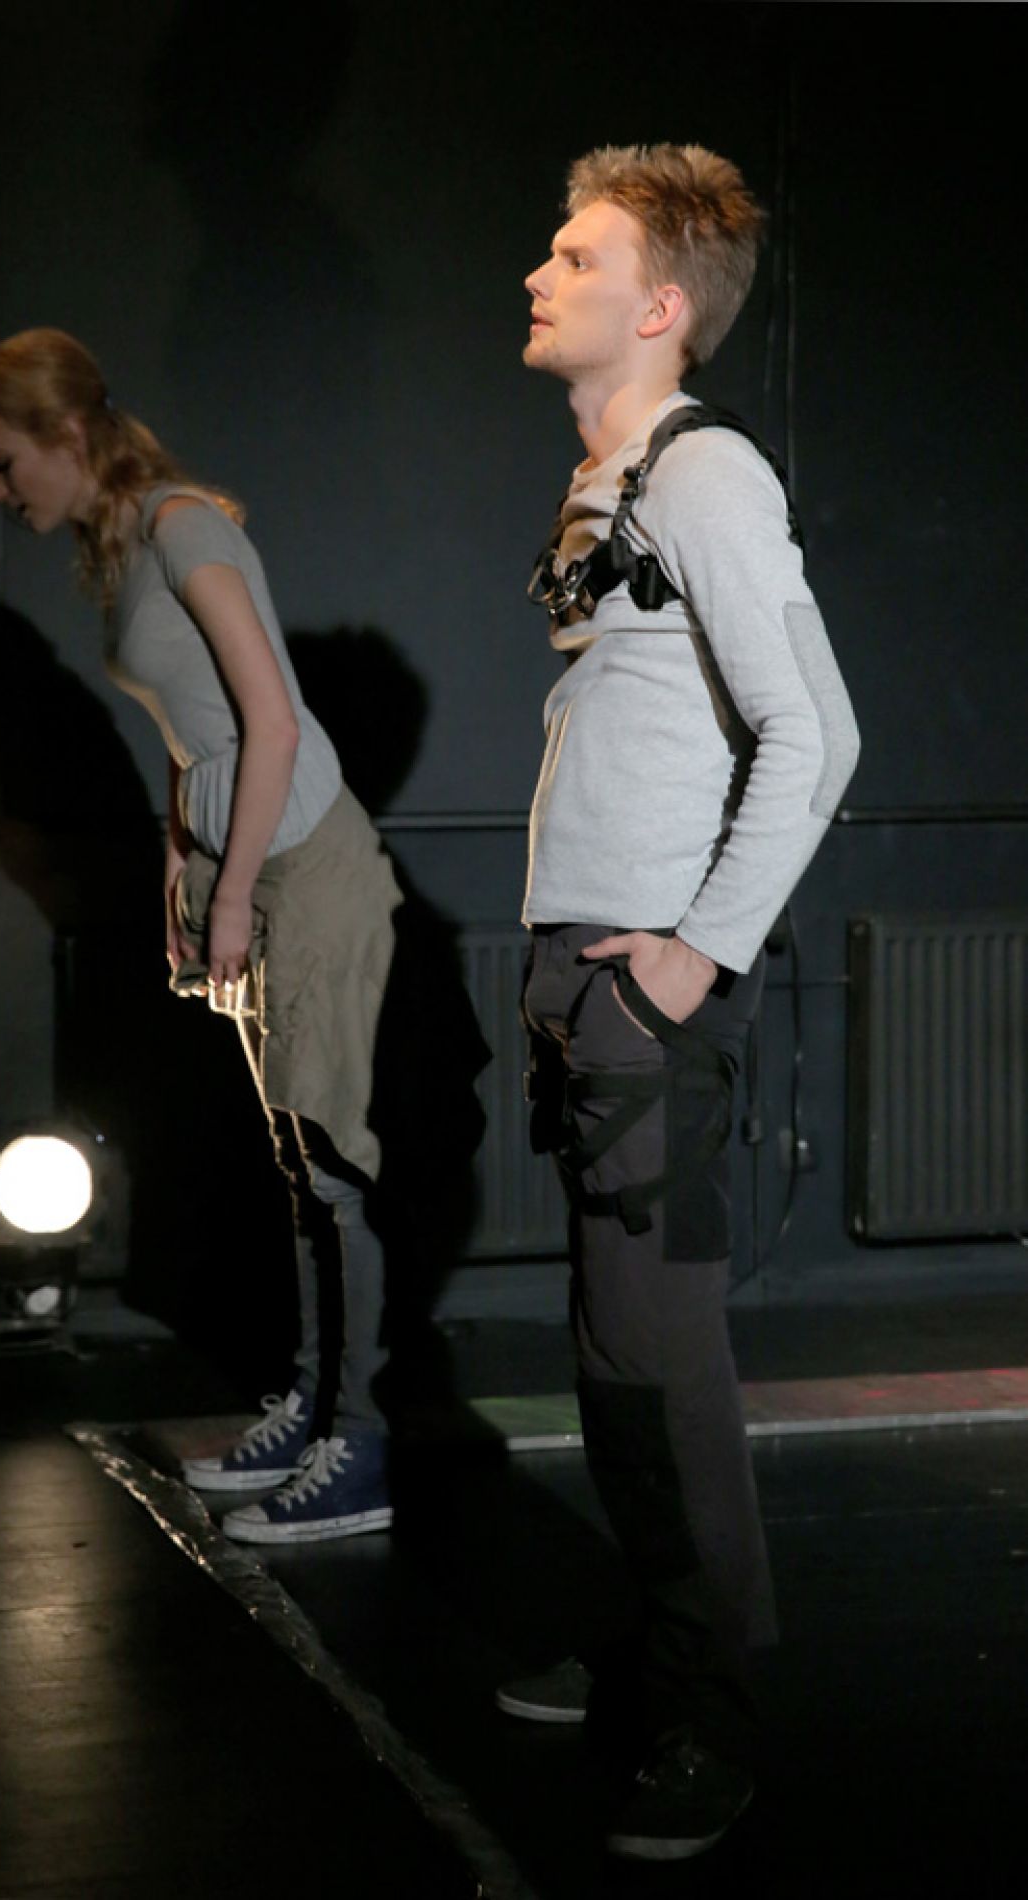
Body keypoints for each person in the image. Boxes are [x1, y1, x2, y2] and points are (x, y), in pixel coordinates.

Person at [504, 145, 859, 1860]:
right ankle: (658, 1641)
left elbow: (819, 734)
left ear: (658, 307)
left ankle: (711, 1711)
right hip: (584, 969)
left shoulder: (704, 471)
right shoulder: (611, 476)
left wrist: (692, 954)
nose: (536, 275)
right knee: (610, 1356)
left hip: (646, 982)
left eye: (574, 258)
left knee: (661, 1362)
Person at [0, 328, 402, 1543]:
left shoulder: (184, 526)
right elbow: (192, 728)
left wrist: (235, 886)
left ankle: (361, 1445)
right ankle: (314, 1406)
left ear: (66, 433)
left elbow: (273, 722)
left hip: (307, 865)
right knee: (298, 1167)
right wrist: (180, 864)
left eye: (4, 462)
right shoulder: (124, 547)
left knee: (332, 1163)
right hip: (244, 864)